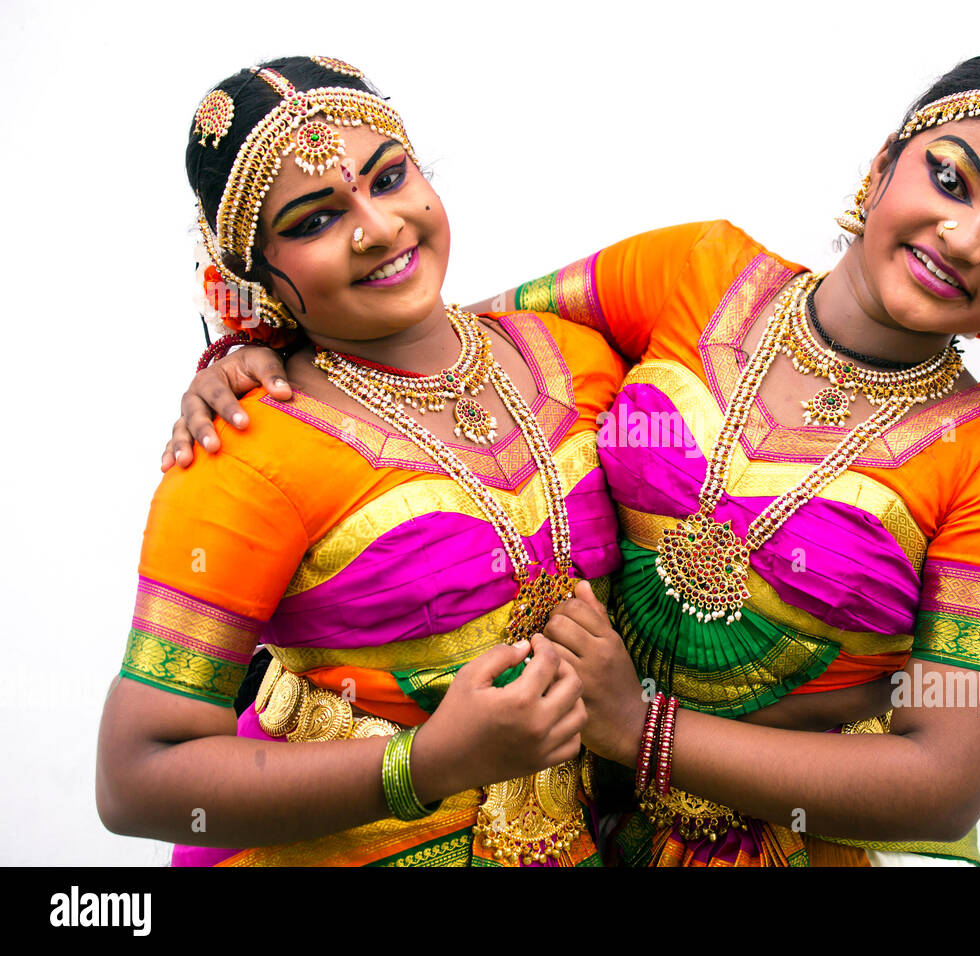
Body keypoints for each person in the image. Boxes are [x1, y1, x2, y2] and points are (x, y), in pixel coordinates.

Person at [156, 52, 980, 866]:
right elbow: (452, 337)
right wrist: (256, 350)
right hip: (550, 815)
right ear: (882, 166)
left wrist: (641, 732)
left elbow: (943, 782)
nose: (964, 235)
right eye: (949, 180)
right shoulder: (697, 271)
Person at [96, 55, 627, 866]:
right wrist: (427, 765)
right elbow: (137, 776)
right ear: (246, 275)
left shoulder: (578, 357)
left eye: (388, 177)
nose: (377, 228)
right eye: (311, 221)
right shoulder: (244, 446)